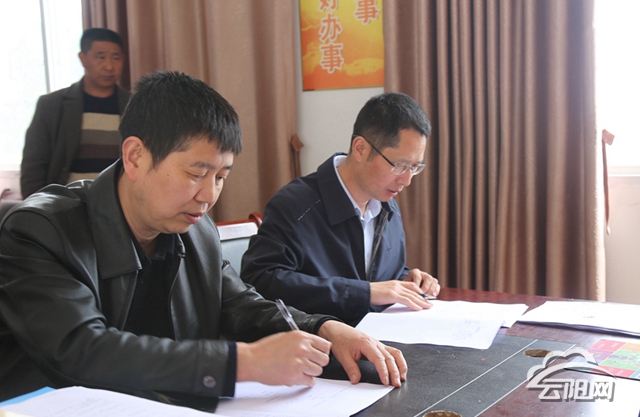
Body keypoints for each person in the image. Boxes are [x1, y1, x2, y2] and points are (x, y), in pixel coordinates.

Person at [0, 72, 407, 409]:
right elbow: (81, 350)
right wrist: (242, 362)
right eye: (196, 173)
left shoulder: (195, 230)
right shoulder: (42, 230)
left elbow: (239, 304)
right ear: (136, 156)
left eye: (221, 176)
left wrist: (324, 328)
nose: (208, 195)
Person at [241, 92, 440, 326]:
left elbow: (374, 276)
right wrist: (364, 292)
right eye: (399, 165)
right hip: (320, 341)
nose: (406, 180)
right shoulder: (296, 205)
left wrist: (406, 280)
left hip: (380, 335)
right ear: (360, 148)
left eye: (415, 167)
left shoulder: (388, 206)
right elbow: (260, 280)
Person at [20, 27, 130, 199]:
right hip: (66, 205)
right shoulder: (52, 105)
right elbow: (33, 166)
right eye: (100, 57)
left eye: (115, 58)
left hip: (119, 205)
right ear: (83, 58)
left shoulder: (134, 105)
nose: (109, 66)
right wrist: (36, 208)